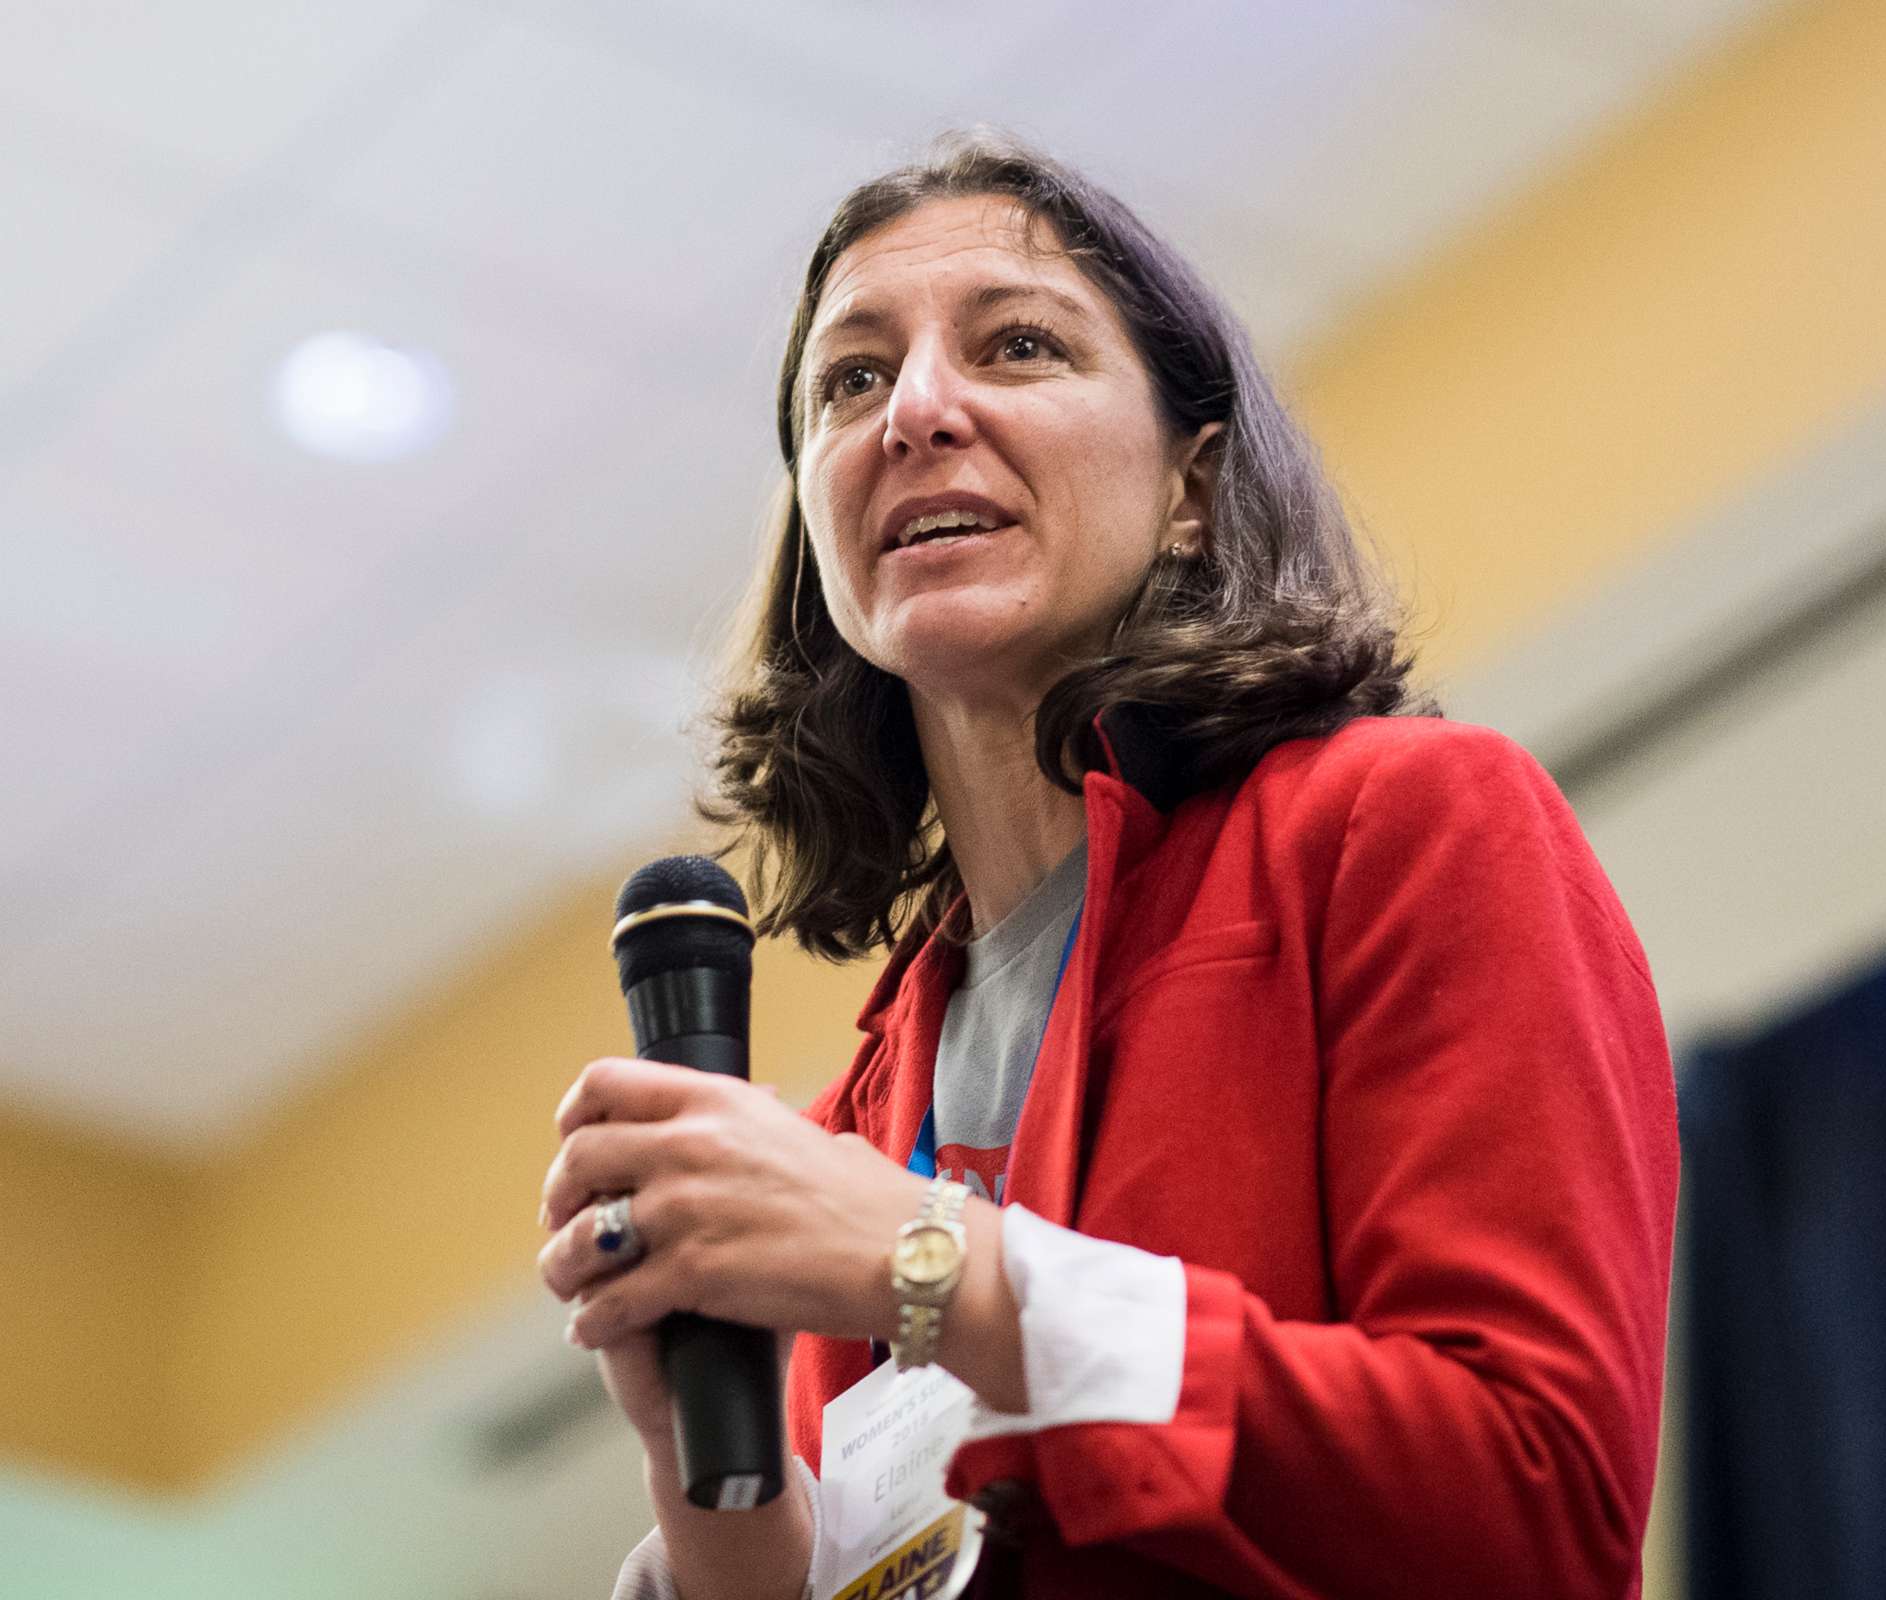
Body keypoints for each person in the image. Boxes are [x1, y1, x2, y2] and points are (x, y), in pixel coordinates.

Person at [536, 131, 1677, 1600]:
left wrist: (940, 1267)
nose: (917, 413)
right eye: (851, 379)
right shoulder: (851, 1134)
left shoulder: (1399, 829)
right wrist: (725, 1507)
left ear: (1192, 486)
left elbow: (1535, 1513)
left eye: (1016, 346)